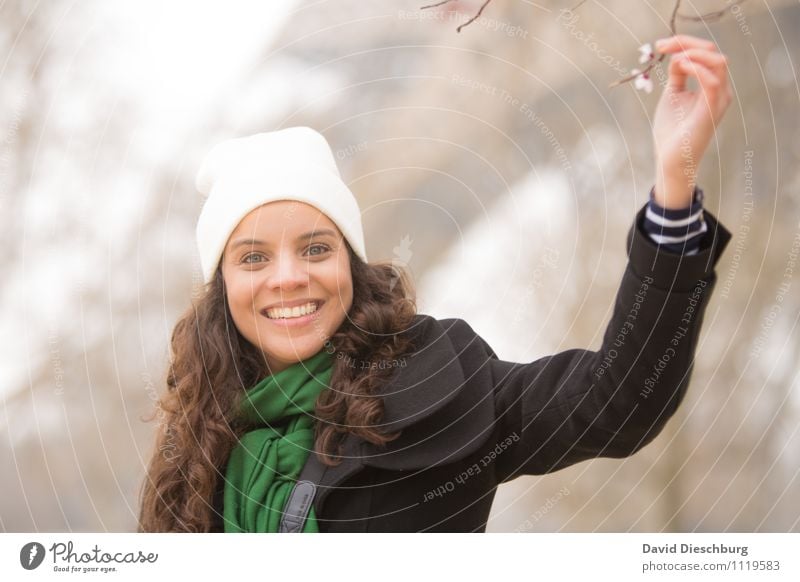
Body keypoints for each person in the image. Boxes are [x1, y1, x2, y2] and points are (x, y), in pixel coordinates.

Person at [137, 34, 733, 533]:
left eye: (316, 248)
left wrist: (674, 183)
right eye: (253, 258)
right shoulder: (196, 436)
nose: (289, 277)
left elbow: (620, 398)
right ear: (222, 286)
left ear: (351, 264)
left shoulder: (438, 389)